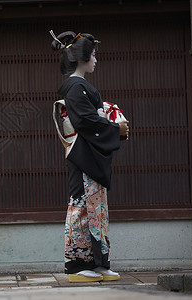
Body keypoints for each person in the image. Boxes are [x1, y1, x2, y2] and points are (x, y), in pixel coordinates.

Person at [50, 31, 129, 282]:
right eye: (93, 54)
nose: (96, 59)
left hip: (89, 154)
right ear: (82, 57)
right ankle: (75, 266)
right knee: (82, 208)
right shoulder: (75, 87)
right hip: (83, 155)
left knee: (97, 210)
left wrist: (112, 123)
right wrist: (116, 129)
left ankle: (98, 263)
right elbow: (85, 121)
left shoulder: (79, 86)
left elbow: (92, 118)